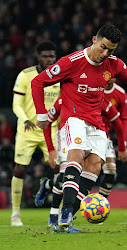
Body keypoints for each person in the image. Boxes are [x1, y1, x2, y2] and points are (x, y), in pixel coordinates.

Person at [31, 24, 127, 232]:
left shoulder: (114, 64)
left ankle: (67, 218)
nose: (105, 54)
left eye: (111, 50)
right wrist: (42, 114)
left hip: (96, 123)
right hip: (73, 118)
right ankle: (63, 213)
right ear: (93, 40)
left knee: (95, 166)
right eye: (103, 47)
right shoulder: (71, 62)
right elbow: (38, 82)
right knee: (77, 155)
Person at [38, 96, 127, 229]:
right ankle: (54, 215)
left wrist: (122, 146)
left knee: (87, 175)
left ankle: (63, 217)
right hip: (66, 134)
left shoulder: (99, 96)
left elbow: (118, 120)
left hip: (93, 136)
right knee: (65, 176)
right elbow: (47, 120)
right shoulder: (64, 98)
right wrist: (51, 149)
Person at [11, 41, 59, 226]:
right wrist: (25, 120)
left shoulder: (60, 75)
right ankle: (15, 214)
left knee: (59, 170)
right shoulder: (25, 75)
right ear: (37, 57)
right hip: (28, 130)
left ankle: (55, 213)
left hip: (52, 129)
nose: (49, 59)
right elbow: (16, 103)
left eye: (52, 56)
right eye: (45, 56)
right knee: (20, 169)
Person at [99, 78, 127, 198]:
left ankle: (100, 203)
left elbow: (123, 119)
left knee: (110, 172)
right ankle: (49, 185)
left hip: (104, 136)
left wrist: (123, 145)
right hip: (84, 134)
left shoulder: (120, 94)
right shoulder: (93, 88)